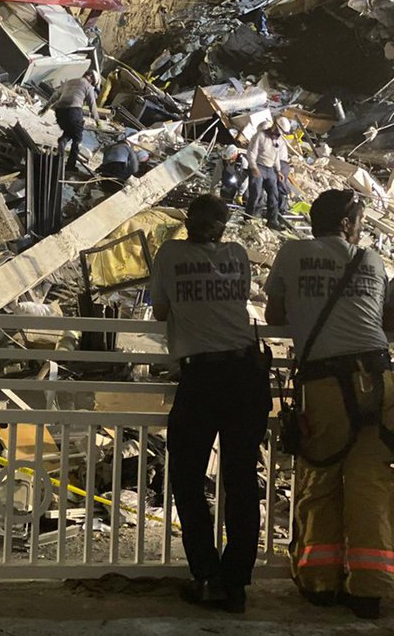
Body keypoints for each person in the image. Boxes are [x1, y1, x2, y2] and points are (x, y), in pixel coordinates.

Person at [266, 189, 394, 620]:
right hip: (378, 378)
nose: (361, 227)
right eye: (358, 219)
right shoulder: (372, 260)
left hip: (323, 383)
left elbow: (274, 316)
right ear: (345, 223)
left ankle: (320, 582)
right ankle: (369, 590)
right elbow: (384, 319)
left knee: (320, 476)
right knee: (370, 482)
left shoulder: (291, 253)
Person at [150, 195, 270, 614]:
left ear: (186, 222)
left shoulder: (168, 253)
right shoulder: (238, 254)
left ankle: (207, 575)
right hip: (245, 376)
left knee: (185, 476)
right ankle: (236, 583)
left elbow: (160, 311)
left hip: (201, 377)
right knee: (240, 480)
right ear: (224, 226)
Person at [40, 68, 101, 176]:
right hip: (73, 111)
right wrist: (97, 121)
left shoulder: (70, 81)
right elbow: (92, 105)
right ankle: (70, 166)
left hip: (59, 112)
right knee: (77, 137)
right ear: (92, 80)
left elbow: (55, 95)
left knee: (70, 131)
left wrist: (45, 108)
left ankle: (62, 143)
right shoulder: (88, 86)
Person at [245, 119, 284, 230]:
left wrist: (278, 170)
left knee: (274, 194)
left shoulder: (277, 141)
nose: (278, 134)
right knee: (256, 193)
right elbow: (252, 152)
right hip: (259, 166)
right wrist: (253, 167)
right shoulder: (260, 136)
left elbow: (276, 156)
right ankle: (249, 218)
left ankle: (272, 220)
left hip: (270, 168)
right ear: (274, 127)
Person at [275, 117, 295, 217]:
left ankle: (281, 207)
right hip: (282, 164)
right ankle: (280, 208)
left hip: (281, 164)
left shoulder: (277, 139)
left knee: (279, 185)